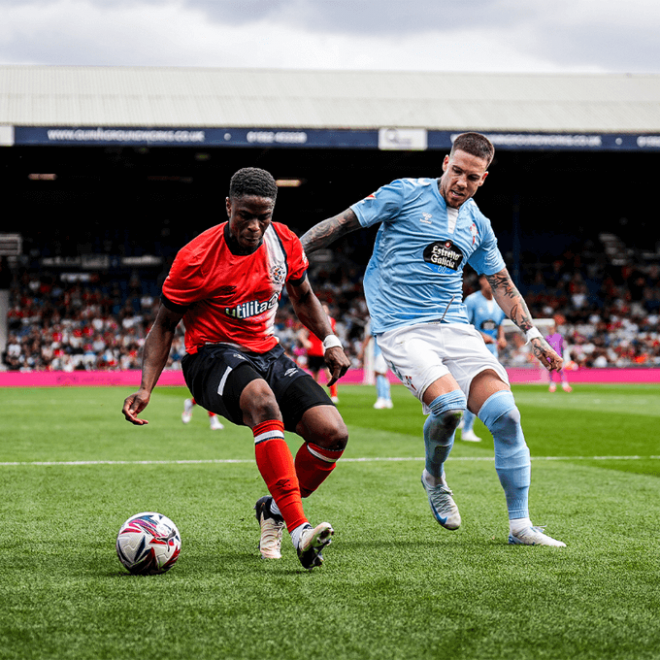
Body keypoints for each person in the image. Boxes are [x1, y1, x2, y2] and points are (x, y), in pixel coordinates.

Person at [301, 132, 566, 547]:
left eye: (472, 177)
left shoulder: (478, 224)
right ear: (445, 163)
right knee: (448, 408)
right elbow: (343, 223)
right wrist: (291, 253)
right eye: (457, 171)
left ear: (484, 179)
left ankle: (521, 527)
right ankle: (434, 476)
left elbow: (500, 282)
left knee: (507, 417)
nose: (461, 182)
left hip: (454, 328)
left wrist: (532, 334)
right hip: (402, 329)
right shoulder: (404, 194)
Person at [122, 167, 351, 570]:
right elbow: (163, 325)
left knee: (332, 434)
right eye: (245, 214)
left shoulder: (284, 242)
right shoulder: (195, 258)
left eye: (263, 216)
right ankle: (300, 531)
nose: (255, 225)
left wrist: (330, 340)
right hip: (209, 357)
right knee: (263, 402)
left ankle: (273, 512)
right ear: (228, 206)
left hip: (266, 353)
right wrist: (146, 389)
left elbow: (304, 296)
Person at [459, 274, 507, 441]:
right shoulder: (471, 301)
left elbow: (500, 324)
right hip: (473, 350)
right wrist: (481, 335)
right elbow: (463, 325)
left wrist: (502, 338)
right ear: (480, 281)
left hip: (491, 352)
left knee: (479, 389)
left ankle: (464, 422)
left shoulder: (499, 302)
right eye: (487, 279)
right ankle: (466, 429)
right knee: (474, 389)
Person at [297, 302, 340, 403]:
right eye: (321, 309)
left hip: (326, 352)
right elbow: (302, 334)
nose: (323, 311)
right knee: (315, 375)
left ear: (328, 311)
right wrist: (305, 341)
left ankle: (334, 396)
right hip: (313, 351)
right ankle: (316, 396)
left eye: (325, 309)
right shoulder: (311, 320)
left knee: (329, 373)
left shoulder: (332, 321)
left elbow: (335, 334)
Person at [359, 321, 393, 409]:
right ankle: (387, 399)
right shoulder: (388, 320)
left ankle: (381, 398)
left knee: (378, 373)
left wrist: (362, 351)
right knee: (383, 374)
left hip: (379, 352)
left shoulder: (375, 321)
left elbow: (368, 337)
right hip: (387, 351)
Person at [545, 325, 572, 392]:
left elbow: (564, 346)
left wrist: (565, 356)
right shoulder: (547, 338)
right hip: (550, 357)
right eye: (549, 329)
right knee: (551, 371)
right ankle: (552, 385)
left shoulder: (559, 336)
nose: (550, 330)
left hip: (558, 356)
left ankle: (564, 385)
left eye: (552, 329)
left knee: (561, 370)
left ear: (554, 329)